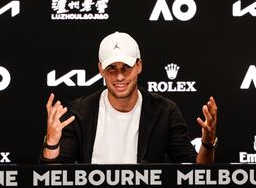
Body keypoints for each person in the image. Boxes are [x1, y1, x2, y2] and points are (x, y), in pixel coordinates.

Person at [39, 31, 218, 164]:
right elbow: (54, 178)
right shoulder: (79, 112)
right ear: (100, 69)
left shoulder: (164, 111)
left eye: (126, 67)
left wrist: (208, 143)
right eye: (112, 69)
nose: (119, 77)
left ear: (139, 66)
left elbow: (195, 174)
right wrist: (52, 143)